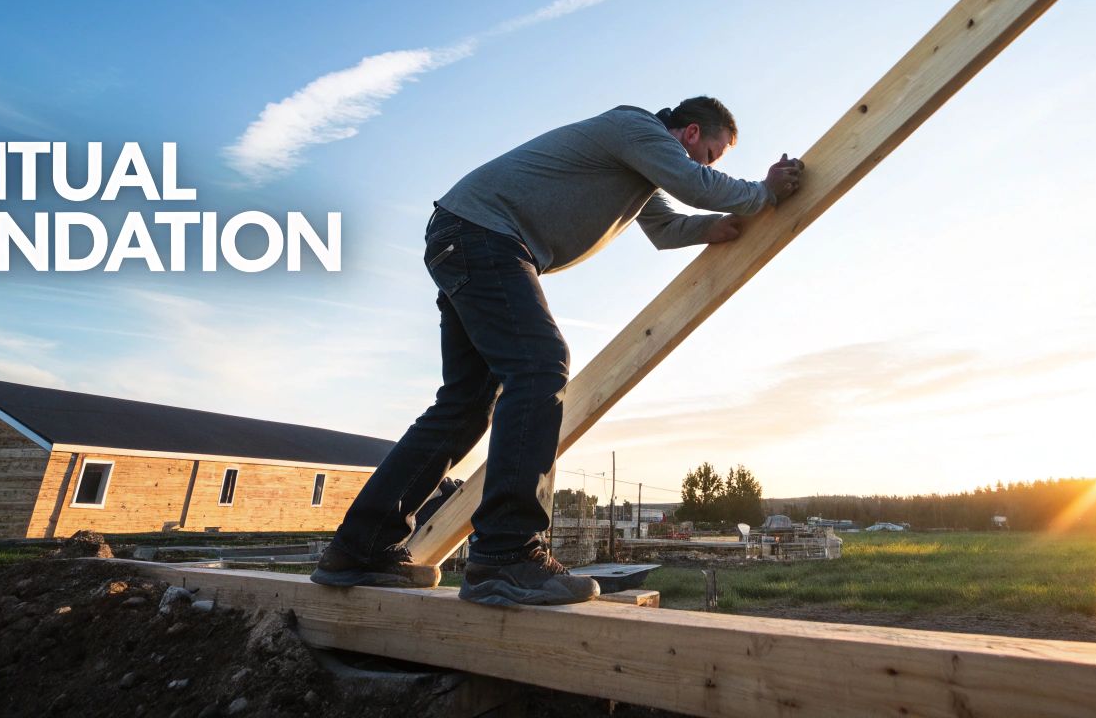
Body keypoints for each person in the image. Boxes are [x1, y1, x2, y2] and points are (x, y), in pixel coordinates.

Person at [312, 97, 804, 606]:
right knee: (539, 365)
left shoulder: (641, 166)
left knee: (465, 406)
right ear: (691, 132)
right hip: (484, 235)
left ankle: (361, 547)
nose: (706, 165)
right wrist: (763, 191)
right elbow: (696, 185)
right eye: (711, 155)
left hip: (466, 236)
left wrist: (714, 227)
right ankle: (506, 555)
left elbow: (664, 229)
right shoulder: (636, 128)